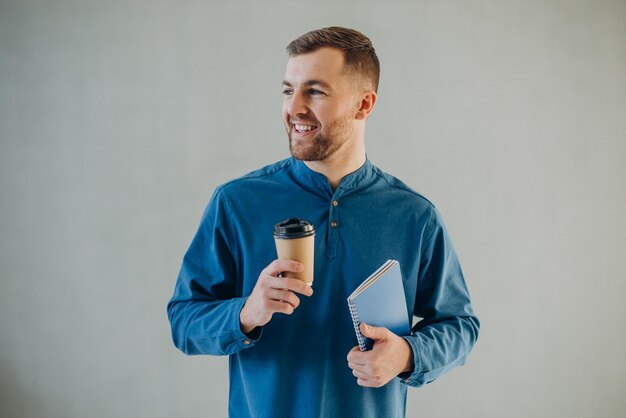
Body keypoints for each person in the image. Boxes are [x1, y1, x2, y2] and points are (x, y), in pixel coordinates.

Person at [167, 26, 479, 418]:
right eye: (287, 90)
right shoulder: (236, 202)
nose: (294, 107)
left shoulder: (414, 216)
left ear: (364, 105)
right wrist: (246, 313)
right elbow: (183, 321)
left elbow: (460, 326)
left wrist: (407, 354)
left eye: (314, 91)